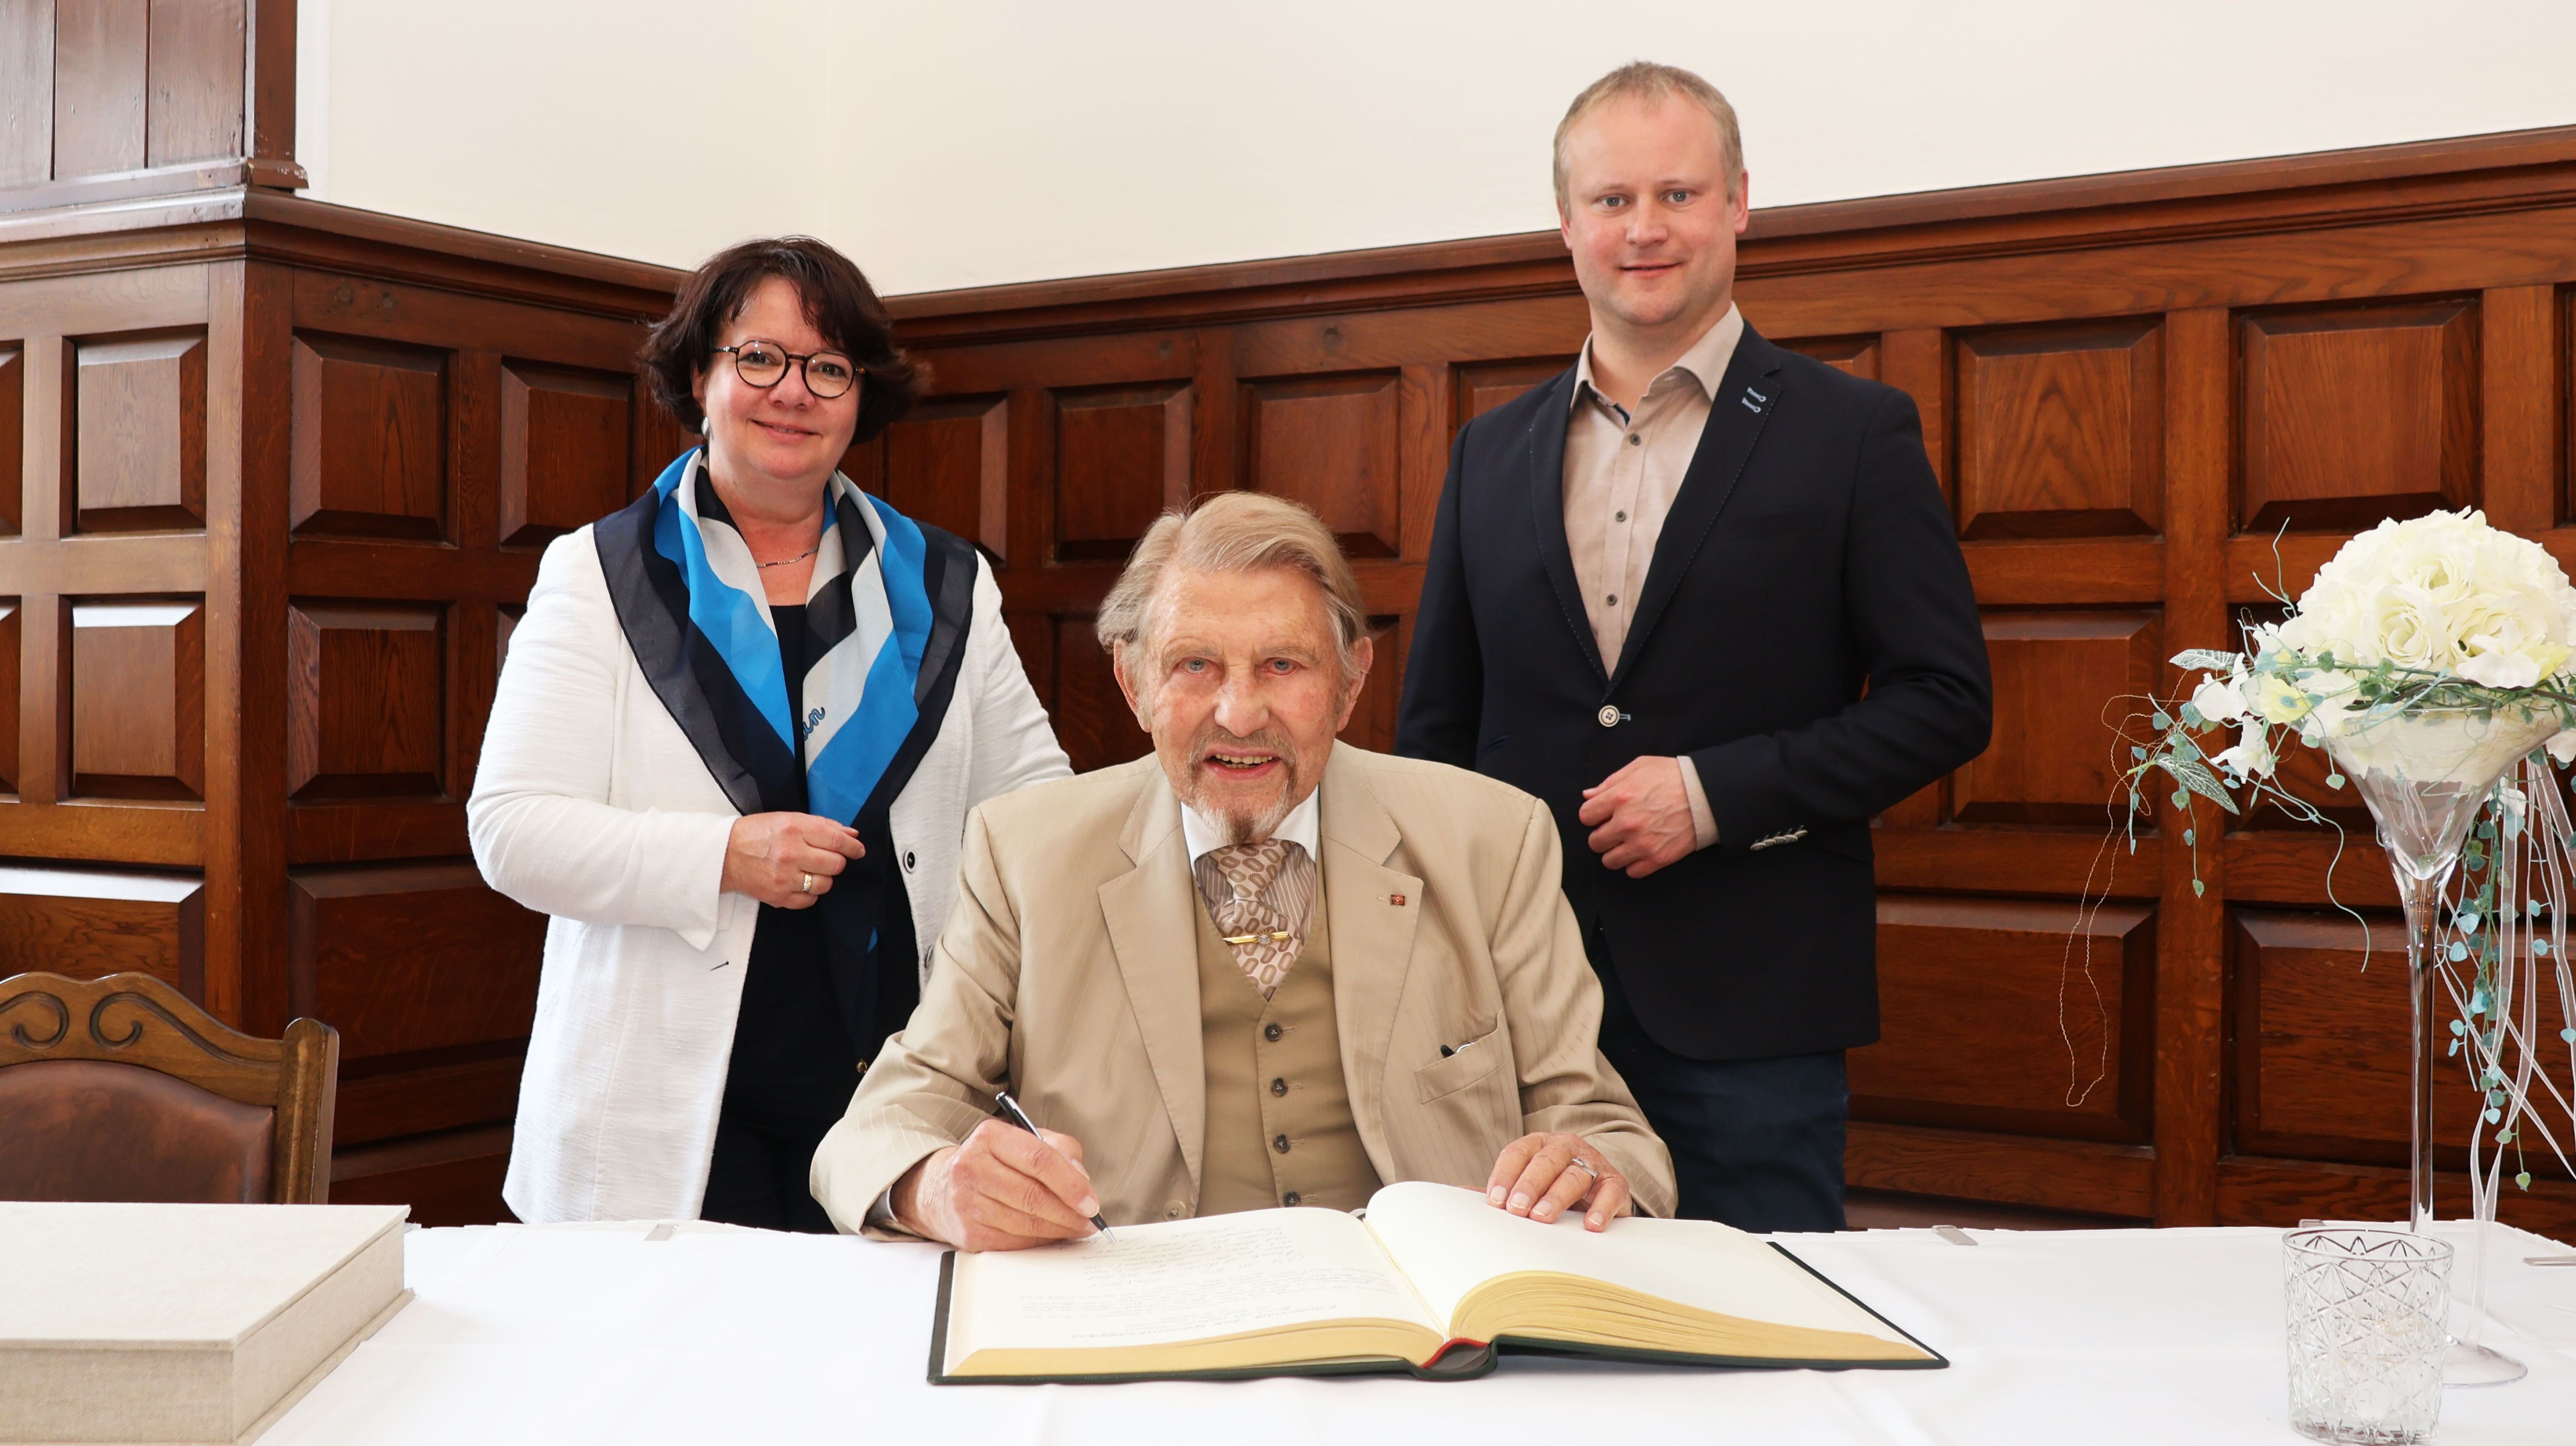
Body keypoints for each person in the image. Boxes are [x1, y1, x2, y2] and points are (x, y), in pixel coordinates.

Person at [1395, 63, 1991, 1233]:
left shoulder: (1852, 433)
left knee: (1765, 1364)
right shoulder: (1487, 453)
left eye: (1678, 192)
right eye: (1613, 200)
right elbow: (1435, 741)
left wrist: (1713, 795)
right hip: (1516, 1017)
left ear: (1739, 205)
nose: (1646, 228)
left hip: (1751, 1026)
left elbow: (1944, 699)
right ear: (1566, 224)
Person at [810, 492, 1674, 1245]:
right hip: (1141, 1327)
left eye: (1283, 665)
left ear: (1350, 678)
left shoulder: (1493, 838)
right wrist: (932, 1187)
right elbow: (881, 1125)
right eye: (1194, 666)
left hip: (1423, 1344)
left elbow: (1604, 1126)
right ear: (1132, 681)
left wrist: (1590, 1166)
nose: (1238, 711)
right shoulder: (1023, 850)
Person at [469, 237, 1070, 1230]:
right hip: (669, 1106)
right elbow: (512, 829)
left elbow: (1037, 813)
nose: (794, 391)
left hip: (896, 1096)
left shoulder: (947, 583)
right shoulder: (601, 573)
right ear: (701, 373)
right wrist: (724, 855)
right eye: (759, 358)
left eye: (828, 368)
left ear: (860, 397)